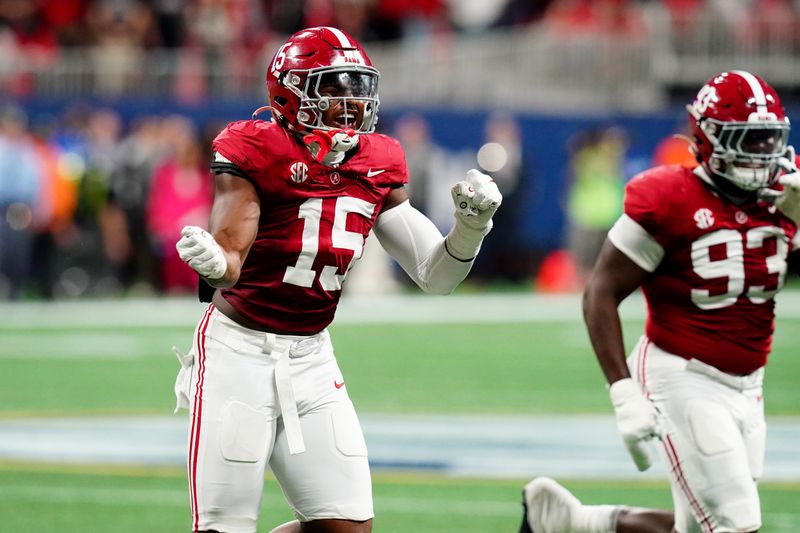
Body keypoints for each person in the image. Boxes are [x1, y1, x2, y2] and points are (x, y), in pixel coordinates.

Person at [174, 26, 501, 533]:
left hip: (311, 358)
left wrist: (471, 227)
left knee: (347, 527)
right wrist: (216, 263)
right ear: (291, 92)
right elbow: (232, 253)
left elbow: (436, 276)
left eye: (357, 87)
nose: (350, 103)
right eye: (333, 87)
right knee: (224, 524)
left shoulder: (378, 161)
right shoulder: (255, 146)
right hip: (238, 355)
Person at [520, 70, 800, 533]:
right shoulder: (670, 198)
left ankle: (570, 523)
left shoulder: (785, 197)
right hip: (683, 376)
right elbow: (601, 291)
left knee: (696, 525)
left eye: (769, 139)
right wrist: (622, 390)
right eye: (747, 141)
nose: (761, 155)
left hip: (750, 383)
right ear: (707, 138)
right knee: (736, 522)